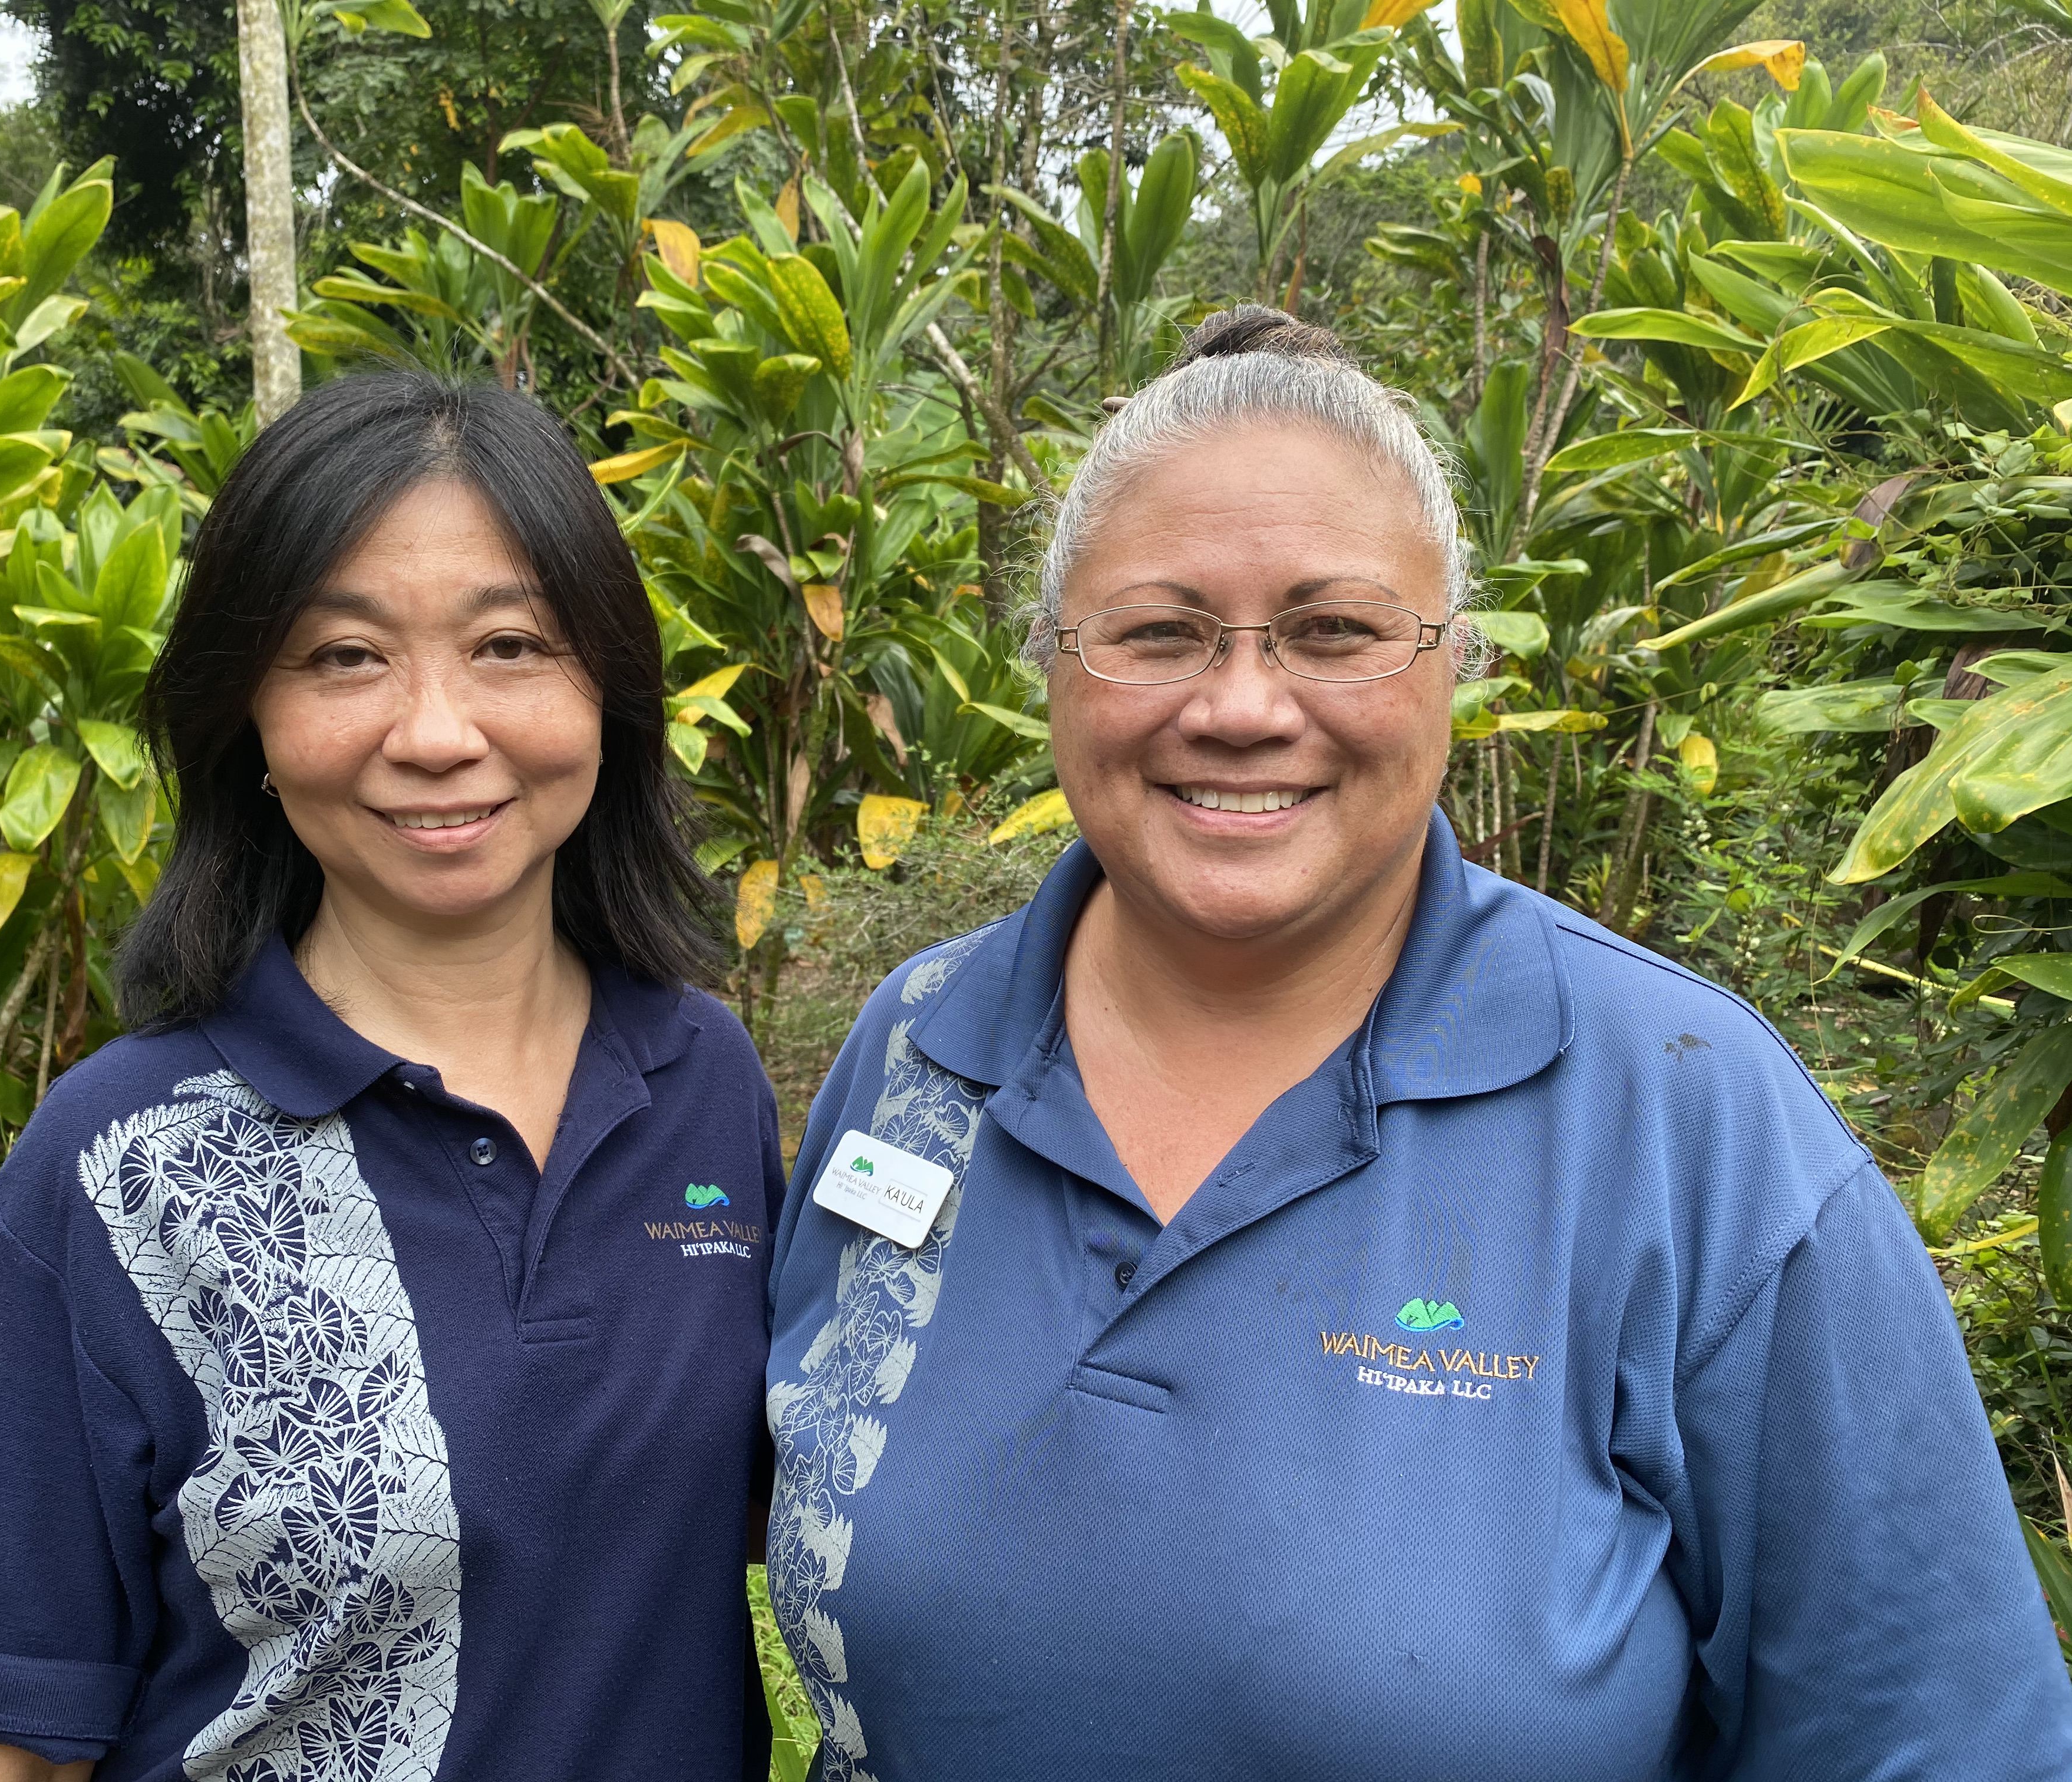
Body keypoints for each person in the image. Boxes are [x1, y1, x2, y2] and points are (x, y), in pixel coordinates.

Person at [764, 308, 2072, 1780]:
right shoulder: (922, 1047)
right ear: (1055, 665)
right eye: (1158, 631)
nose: (1243, 704)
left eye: (1335, 631)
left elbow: (1933, 1732)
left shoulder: (1689, 1124)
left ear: (1453, 664)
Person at [0, 372, 782, 1782]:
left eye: (510, 645)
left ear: (608, 686)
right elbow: (9, 1740)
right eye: (344, 656)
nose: (433, 731)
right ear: (249, 717)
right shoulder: (119, 1161)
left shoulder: (705, 1084)